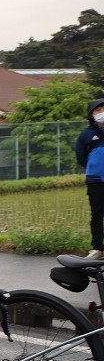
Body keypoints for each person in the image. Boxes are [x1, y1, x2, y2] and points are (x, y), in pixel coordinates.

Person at [75, 97, 104, 259]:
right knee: (97, 215)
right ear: (91, 114)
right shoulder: (86, 135)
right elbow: (81, 157)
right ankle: (98, 248)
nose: (102, 113)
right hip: (95, 181)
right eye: (97, 110)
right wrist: (95, 168)